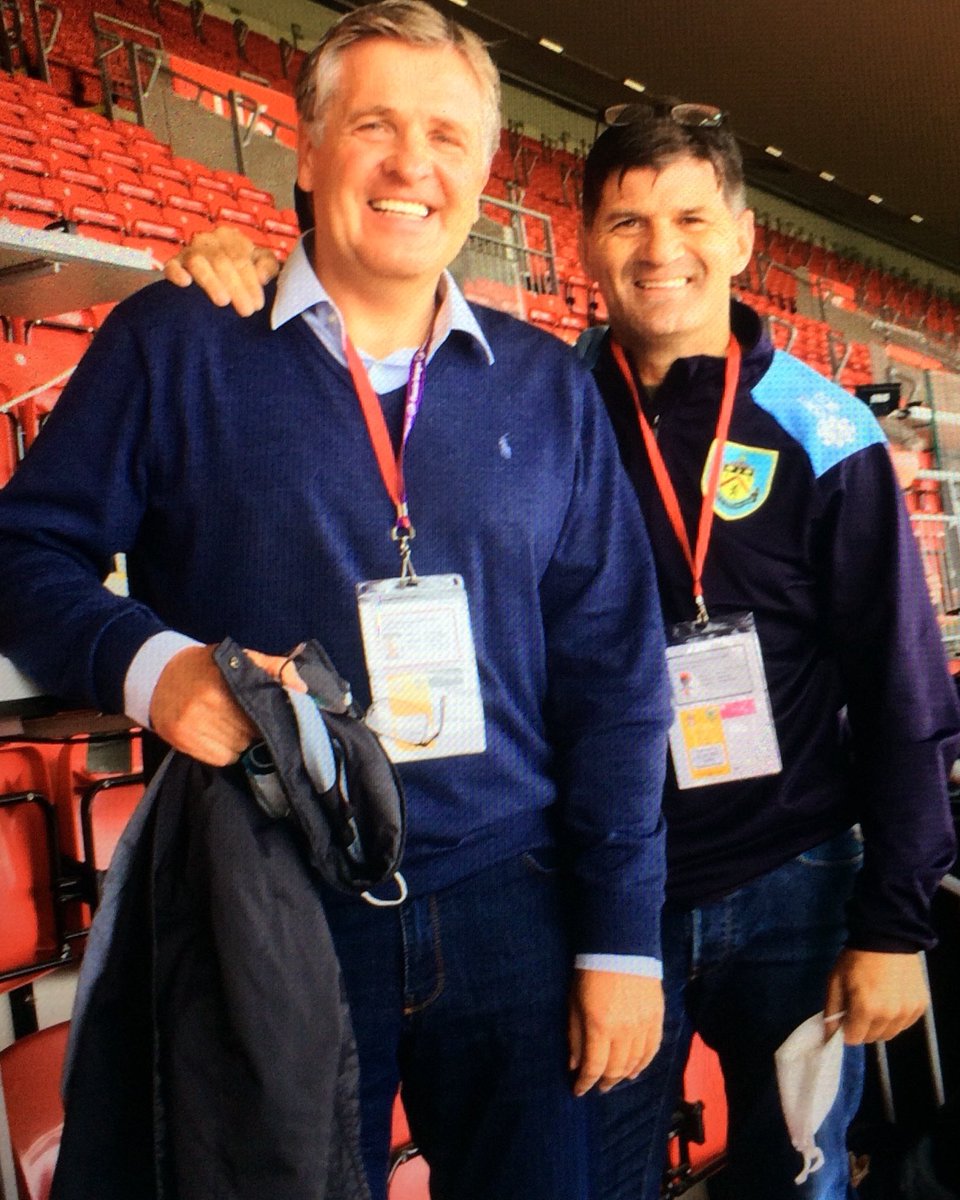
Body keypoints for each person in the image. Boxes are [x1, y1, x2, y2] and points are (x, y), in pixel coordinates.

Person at [177, 102, 960, 1199]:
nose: (662, 251)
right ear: (582, 239)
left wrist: (897, 920)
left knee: (795, 1176)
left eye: (691, 218)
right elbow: (364, 345)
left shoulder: (826, 433)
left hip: (794, 876)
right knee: (601, 1177)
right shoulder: (533, 395)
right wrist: (240, 270)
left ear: (742, 238)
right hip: (595, 888)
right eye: (627, 222)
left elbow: (905, 690)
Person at [0, 6, 675, 1199]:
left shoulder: (545, 386)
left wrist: (621, 933)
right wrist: (160, 672)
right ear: (306, 155)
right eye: (375, 125)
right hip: (267, 900)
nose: (414, 165)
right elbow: (23, 554)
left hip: (514, 901)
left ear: (483, 172)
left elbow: (617, 677)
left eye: (448, 137)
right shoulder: (181, 340)